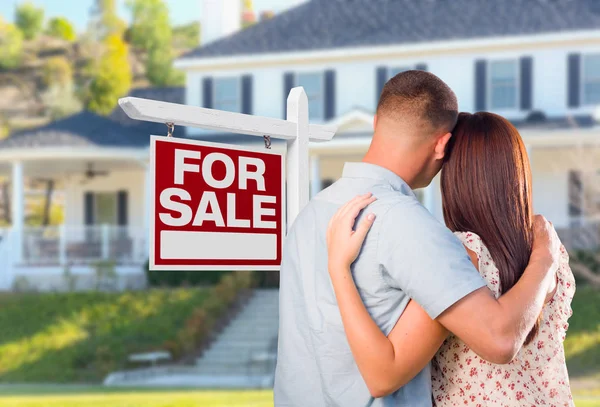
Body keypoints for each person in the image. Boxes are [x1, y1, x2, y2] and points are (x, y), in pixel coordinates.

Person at [273, 70, 561, 407]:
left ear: (377, 121)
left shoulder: (311, 213)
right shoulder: (409, 224)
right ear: (442, 145)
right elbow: (499, 340)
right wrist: (546, 258)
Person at [326, 112, 575, 406]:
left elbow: (384, 374)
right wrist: (544, 256)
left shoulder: (461, 254)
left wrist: (338, 267)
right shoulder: (548, 249)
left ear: (456, 178)